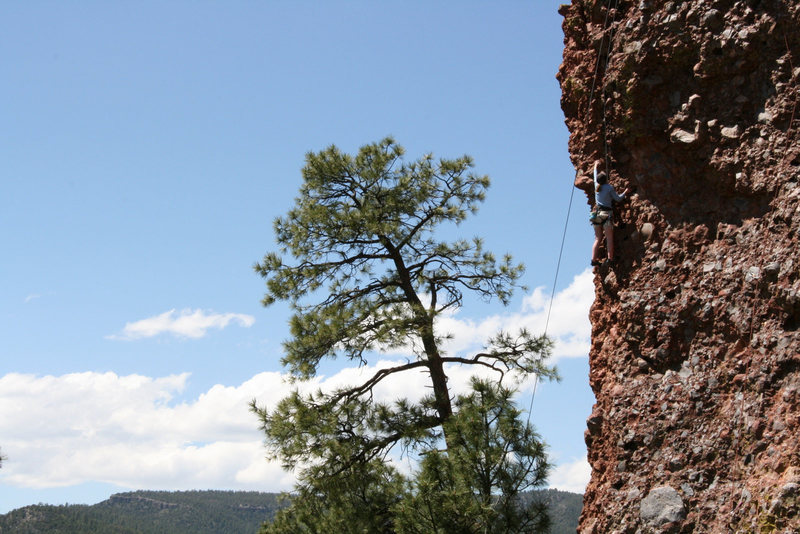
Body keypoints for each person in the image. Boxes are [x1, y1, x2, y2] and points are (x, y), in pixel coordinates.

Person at [590, 159, 630, 266]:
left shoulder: (596, 186)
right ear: (606, 179)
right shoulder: (608, 188)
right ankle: (610, 259)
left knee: (598, 238)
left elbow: (595, 175)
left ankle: (593, 260)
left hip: (596, 214)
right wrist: (625, 192)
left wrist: (595, 166)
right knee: (609, 237)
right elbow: (618, 199)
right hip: (606, 214)